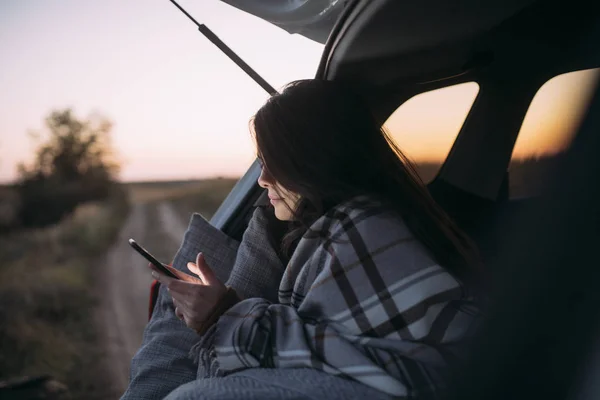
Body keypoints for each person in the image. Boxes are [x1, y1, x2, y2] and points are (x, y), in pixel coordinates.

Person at [121, 79, 482, 400]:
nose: (262, 181)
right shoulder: (363, 224)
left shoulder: (357, 233)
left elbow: (342, 367)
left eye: (273, 162)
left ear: (311, 162)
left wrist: (220, 316)